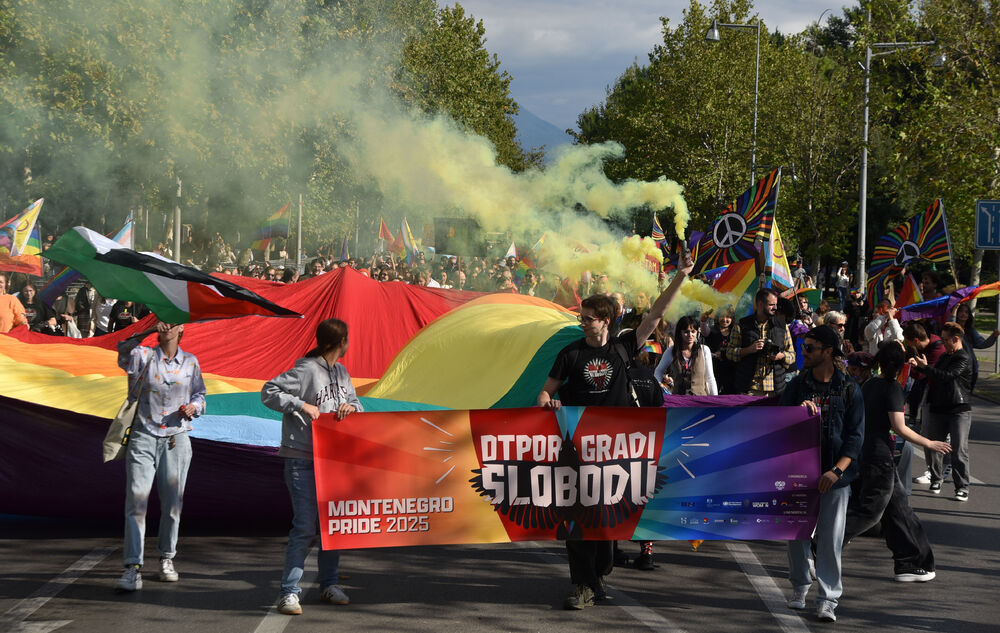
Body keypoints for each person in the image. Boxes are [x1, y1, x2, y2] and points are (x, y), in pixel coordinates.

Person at [536, 256, 692, 610]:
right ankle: (583, 586)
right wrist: (548, 403)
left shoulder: (623, 347)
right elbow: (546, 391)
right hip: (576, 451)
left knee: (606, 527)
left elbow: (654, 314)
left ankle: (598, 574)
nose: (582, 322)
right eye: (582, 317)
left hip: (615, 452)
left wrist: (680, 276)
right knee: (577, 521)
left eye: (588, 318)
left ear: (605, 321)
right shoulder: (570, 353)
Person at [262, 318, 362, 616]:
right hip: (302, 458)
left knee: (334, 526)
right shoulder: (306, 369)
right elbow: (269, 391)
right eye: (348, 339)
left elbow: (357, 403)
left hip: (333, 459)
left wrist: (351, 408)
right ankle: (289, 592)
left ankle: (328, 584)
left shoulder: (342, 372)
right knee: (305, 527)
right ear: (341, 341)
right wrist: (300, 405)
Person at [843, 342, 950, 582]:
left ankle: (910, 562)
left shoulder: (870, 383)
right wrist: (929, 443)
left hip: (869, 454)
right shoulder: (891, 388)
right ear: (902, 365)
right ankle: (818, 544)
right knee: (869, 513)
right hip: (879, 457)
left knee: (900, 511)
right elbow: (899, 427)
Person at [114, 321, 206, 593]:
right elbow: (122, 350)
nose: (168, 326)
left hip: (176, 439)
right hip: (143, 435)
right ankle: (132, 567)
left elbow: (201, 394)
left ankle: (166, 558)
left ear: (182, 331)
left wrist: (194, 407)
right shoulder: (142, 355)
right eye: (163, 322)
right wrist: (145, 331)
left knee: (173, 504)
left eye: (173, 323)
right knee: (137, 500)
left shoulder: (190, 362)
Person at [781, 325, 864, 623]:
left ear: (828, 351)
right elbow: (777, 423)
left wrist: (836, 471)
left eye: (810, 348)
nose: (804, 353)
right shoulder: (797, 386)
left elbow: (855, 438)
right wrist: (796, 414)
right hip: (799, 474)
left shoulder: (849, 388)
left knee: (830, 539)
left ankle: (828, 599)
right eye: (804, 347)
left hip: (835, 477)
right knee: (797, 534)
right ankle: (800, 587)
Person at [909, 321, 974, 501]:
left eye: (946, 340)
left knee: (959, 448)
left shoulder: (963, 358)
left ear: (955, 339)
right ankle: (936, 478)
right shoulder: (945, 356)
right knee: (932, 445)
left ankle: (962, 487)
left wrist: (925, 367)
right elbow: (933, 375)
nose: (942, 343)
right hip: (938, 407)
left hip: (958, 409)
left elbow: (947, 376)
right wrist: (921, 366)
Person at [726, 288, 796, 396]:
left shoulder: (782, 326)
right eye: (772, 305)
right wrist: (749, 350)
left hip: (775, 390)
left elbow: (792, 355)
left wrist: (781, 356)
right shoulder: (742, 325)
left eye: (776, 304)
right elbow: (729, 353)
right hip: (750, 389)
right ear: (760, 304)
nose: (775, 308)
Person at [654, 315, 718, 395]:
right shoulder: (671, 351)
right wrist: (658, 385)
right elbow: (658, 371)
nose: (690, 335)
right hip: (679, 402)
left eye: (693, 331)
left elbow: (710, 378)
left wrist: (715, 400)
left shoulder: (704, 350)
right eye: (686, 332)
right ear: (679, 333)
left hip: (700, 401)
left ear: (697, 332)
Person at [952, 303, 999, 393]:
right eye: (961, 311)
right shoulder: (951, 328)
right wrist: (954, 310)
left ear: (969, 315)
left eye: (966, 312)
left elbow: (982, 344)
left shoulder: (971, 330)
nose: (963, 314)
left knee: (967, 393)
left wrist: (993, 336)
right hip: (955, 366)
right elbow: (950, 326)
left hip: (970, 366)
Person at [706, 309, 736, 394]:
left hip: (731, 370)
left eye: (728, 317)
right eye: (722, 316)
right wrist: (703, 321)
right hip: (714, 369)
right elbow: (704, 331)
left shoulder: (735, 331)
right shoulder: (712, 330)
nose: (725, 319)